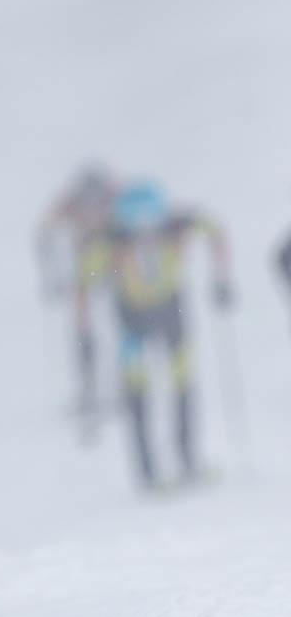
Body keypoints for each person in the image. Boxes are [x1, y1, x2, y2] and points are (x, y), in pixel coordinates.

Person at [79, 181, 233, 489]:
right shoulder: (110, 239)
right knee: (138, 392)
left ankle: (189, 460)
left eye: (150, 226)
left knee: (182, 383)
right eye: (136, 229)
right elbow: (83, 279)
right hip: (132, 322)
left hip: (171, 312)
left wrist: (221, 278)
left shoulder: (175, 223)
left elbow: (216, 231)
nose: (144, 234)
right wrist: (83, 324)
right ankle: (149, 473)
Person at [36, 165, 121, 431]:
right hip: (87, 267)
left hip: (112, 265)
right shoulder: (71, 203)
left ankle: (120, 383)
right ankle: (90, 387)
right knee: (84, 327)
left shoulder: (113, 196)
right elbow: (45, 232)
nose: (92, 211)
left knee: (117, 323)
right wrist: (51, 273)